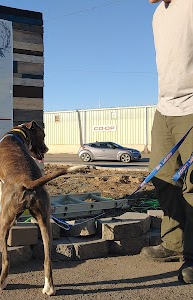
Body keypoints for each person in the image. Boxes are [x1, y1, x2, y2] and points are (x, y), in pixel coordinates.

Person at [140, 0, 193, 284]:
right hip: (165, 108)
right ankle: (174, 244)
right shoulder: (158, 14)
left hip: (192, 107)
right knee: (162, 179)